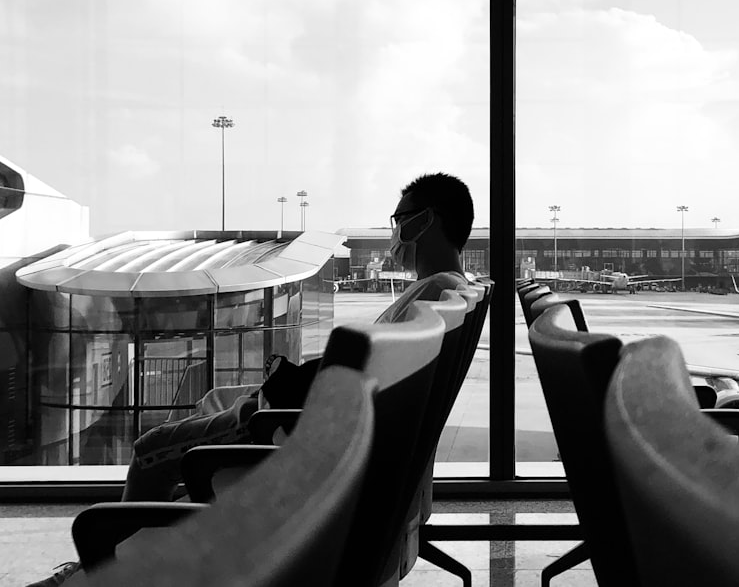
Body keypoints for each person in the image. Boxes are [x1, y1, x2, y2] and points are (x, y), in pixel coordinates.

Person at [27, 172, 474, 587]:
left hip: (296, 431)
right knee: (215, 405)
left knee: (150, 452)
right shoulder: (446, 296)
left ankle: (110, 572)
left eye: (399, 221)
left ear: (426, 221)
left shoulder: (429, 294)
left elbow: (361, 378)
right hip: (338, 450)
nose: (394, 234)